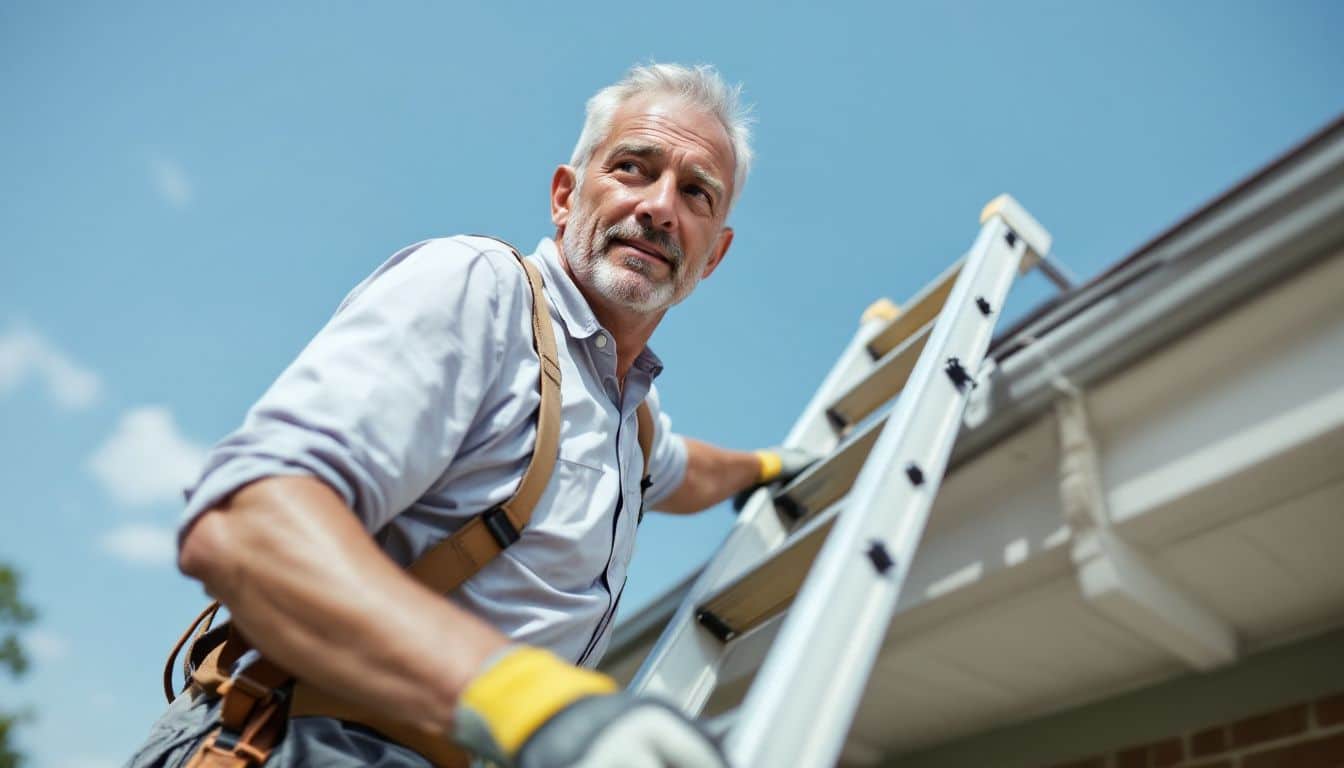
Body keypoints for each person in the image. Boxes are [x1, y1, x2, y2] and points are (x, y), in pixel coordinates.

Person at [126, 63, 815, 768]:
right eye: (633, 168)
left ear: (715, 255)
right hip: (293, 743)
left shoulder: (630, 416)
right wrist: (521, 698)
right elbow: (245, 523)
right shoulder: (480, 291)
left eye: (697, 193)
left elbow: (687, 473)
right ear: (564, 196)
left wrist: (768, 467)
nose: (661, 207)